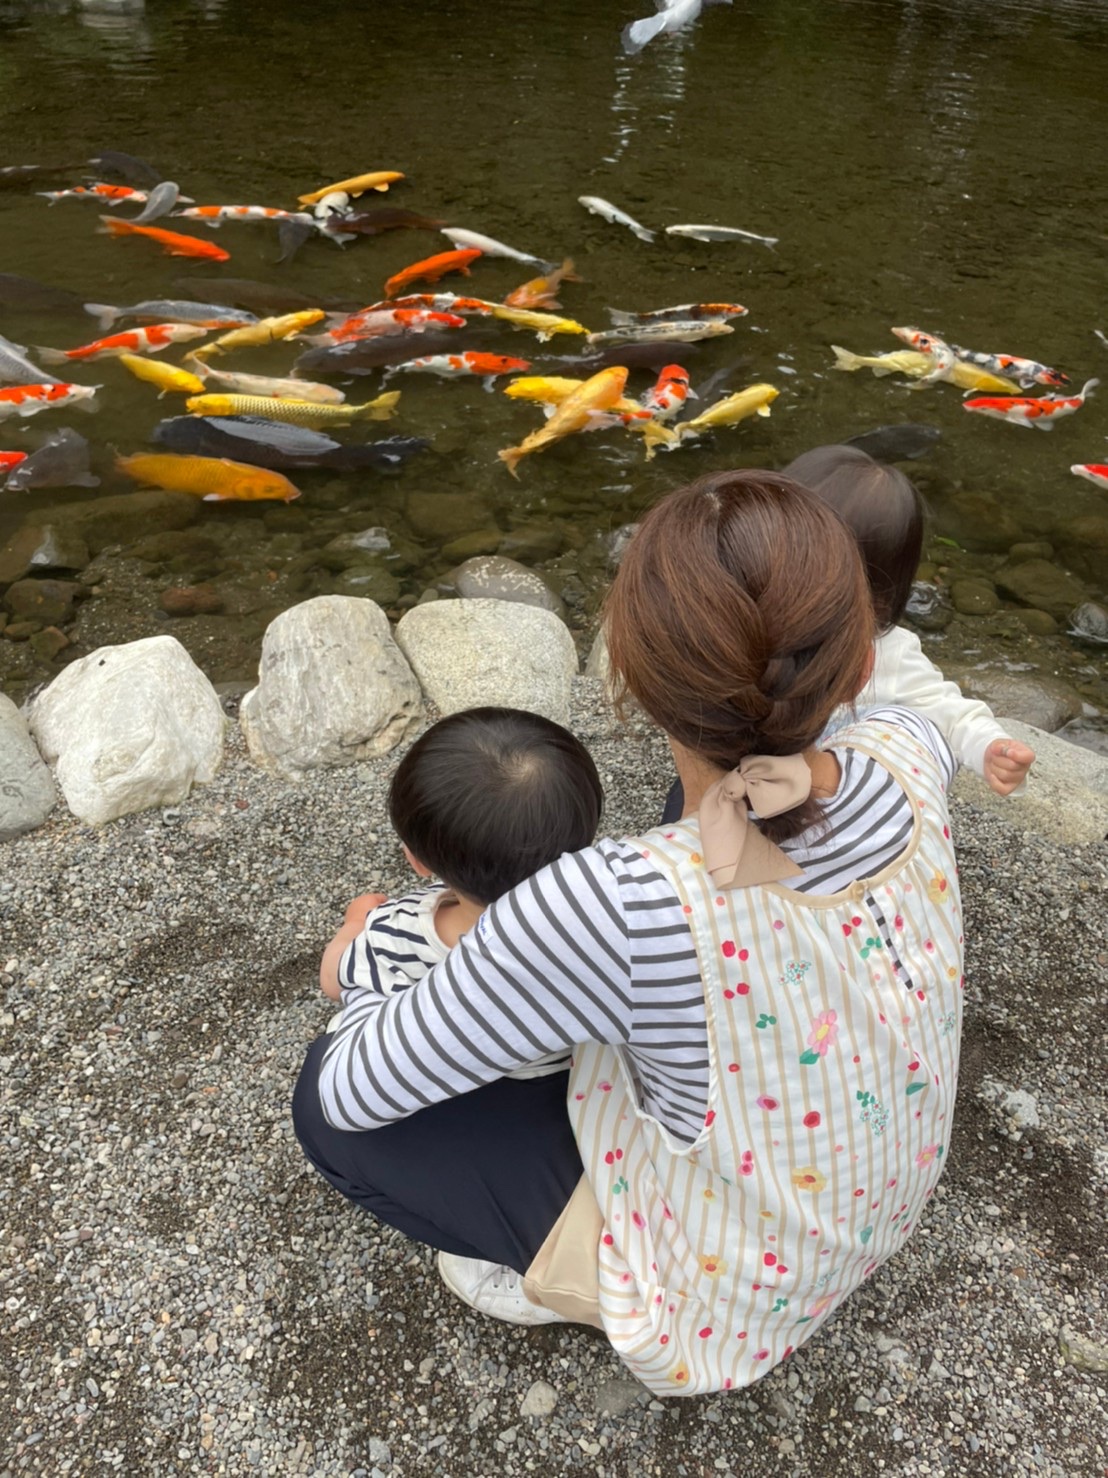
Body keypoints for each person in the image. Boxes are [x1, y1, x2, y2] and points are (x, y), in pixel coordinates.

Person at [293, 470, 965, 1397]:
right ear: (859, 664)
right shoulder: (909, 744)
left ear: (633, 683)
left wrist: (383, 967)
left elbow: (357, 1092)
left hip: (731, 1300)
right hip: (877, 1193)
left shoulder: (606, 903)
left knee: (320, 1103)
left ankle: (567, 1281)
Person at [318, 706, 604, 1097]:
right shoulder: (603, 926)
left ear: (417, 860)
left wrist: (356, 924)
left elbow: (335, 981)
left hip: (438, 1086)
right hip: (563, 1087)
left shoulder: (396, 931)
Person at [786, 444, 1035, 796]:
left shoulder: (887, 654)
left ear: (879, 598)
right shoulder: (742, 615)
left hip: (821, 805)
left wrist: (990, 748)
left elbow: (951, 713)